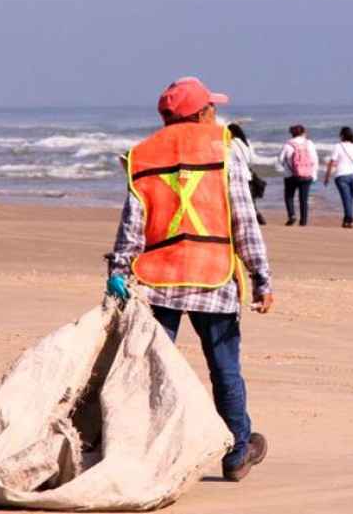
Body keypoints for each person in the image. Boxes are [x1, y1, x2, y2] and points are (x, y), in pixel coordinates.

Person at [104, 76, 274, 482]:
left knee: (151, 370)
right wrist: (261, 276)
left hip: (157, 281)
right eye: (211, 108)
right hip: (212, 277)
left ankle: (142, 454)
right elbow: (242, 218)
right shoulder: (224, 149)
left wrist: (118, 271)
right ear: (200, 114)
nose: (215, 114)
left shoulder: (142, 155)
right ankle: (236, 452)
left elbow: (134, 223)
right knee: (225, 370)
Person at [322, 126, 353, 228]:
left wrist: (327, 177)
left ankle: (350, 220)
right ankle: (346, 220)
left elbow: (331, 163)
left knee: (346, 199)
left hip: (341, 176)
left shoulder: (338, 146)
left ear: (342, 136)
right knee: (349, 199)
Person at [275, 124, 318, 226]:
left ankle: (292, 215)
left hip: (290, 175)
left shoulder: (287, 144)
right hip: (307, 174)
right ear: (303, 132)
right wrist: (314, 174)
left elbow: (280, 160)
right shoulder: (309, 143)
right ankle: (303, 221)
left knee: (289, 196)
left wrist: (286, 167)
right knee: (303, 199)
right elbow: (314, 159)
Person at [227, 122, 266, 226]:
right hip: (247, 174)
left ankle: (250, 218)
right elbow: (252, 159)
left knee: (237, 200)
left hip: (236, 176)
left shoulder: (230, 143)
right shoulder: (246, 143)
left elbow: (228, 161)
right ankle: (255, 215)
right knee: (249, 198)